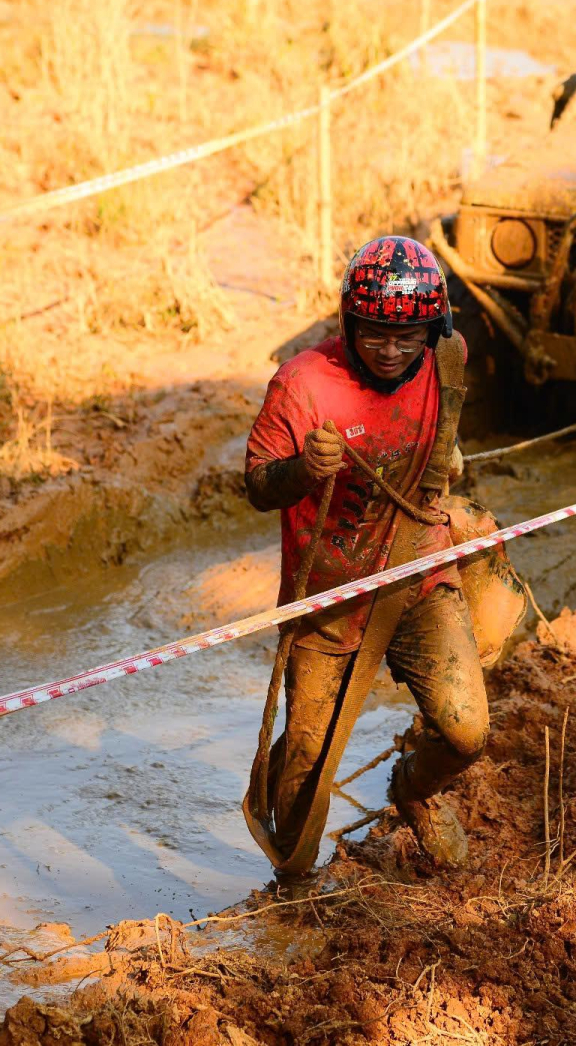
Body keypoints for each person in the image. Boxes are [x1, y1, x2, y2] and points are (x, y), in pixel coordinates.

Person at [242, 235, 487, 889]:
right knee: (304, 771)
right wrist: (301, 470)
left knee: (467, 731)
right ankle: (290, 889)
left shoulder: (449, 362)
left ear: (433, 332)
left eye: (407, 337)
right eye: (374, 334)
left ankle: (414, 790)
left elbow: (446, 451)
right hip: (329, 592)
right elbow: (257, 485)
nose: (389, 350)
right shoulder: (301, 385)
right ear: (349, 325)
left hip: (419, 573)